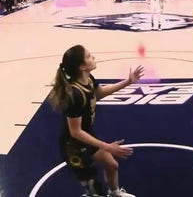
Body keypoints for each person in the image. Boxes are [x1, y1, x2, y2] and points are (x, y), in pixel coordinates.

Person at [49, 45, 144, 197]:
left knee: (112, 165)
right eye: (89, 56)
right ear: (82, 67)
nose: (93, 57)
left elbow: (99, 93)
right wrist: (108, 146)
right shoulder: (75, 95)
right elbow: (75, 132)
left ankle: (114, 193)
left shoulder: (88, 80)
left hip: (85, 136)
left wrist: (128, 81)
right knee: (94, 189)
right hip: (73, 146)